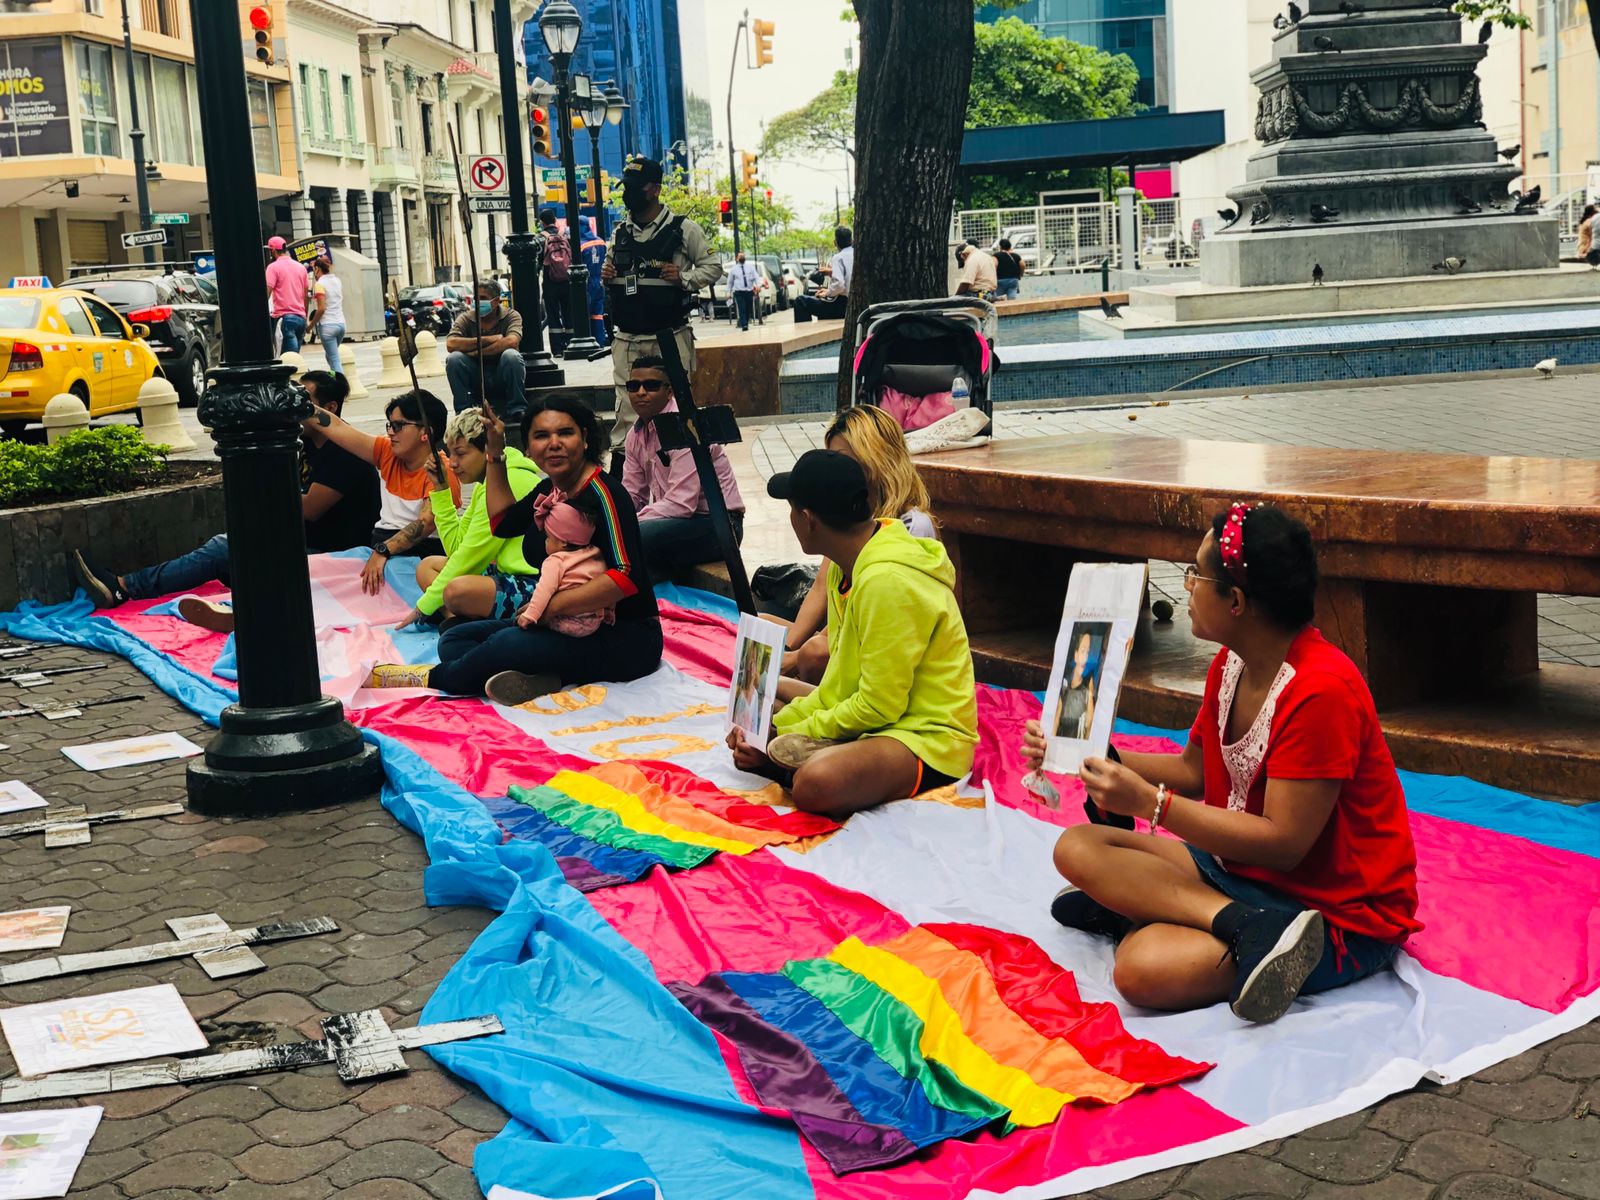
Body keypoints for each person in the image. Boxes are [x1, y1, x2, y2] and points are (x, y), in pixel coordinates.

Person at [1025, 504, 1422, 1025]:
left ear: (1235, 601)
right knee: (1077, 846)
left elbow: (1283, 845)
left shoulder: (1322, 691)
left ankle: (1155, 910)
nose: (1186, 586)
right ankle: (1239, 923)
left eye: (1196, 575)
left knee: (1141, 972)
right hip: (1236, 872)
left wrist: (1149, 803)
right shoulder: (1232, 664)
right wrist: (1094, 756)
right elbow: (1195, 771)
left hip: (1332, 914)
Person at [729, 449, 977, 819]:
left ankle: (795, 761)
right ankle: (793, 752)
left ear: (808, 520)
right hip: (876, 716)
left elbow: (879, 707)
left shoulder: (886, 581)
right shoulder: (844, 567)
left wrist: (784, 732)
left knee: (816, 783)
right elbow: (841, 686)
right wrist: (772, 726)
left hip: (924, 736)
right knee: (761, 702)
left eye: (792, 509)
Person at [71, 371, 379, 622]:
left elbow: (309, 508)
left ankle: (126, 587)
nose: (292, 408)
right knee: (233, 546)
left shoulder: (344, 453)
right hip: (300, 542)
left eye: (303, 401)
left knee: (226, 548)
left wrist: (267, 487)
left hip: (333, 557)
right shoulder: (309, 442)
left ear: (330, 408)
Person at [418, 394, 663, 702]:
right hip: (561, 625)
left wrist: (551, 607)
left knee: (502, 645)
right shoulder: (551, 488)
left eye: (565, 433)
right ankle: (543, 676)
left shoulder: (605, 493)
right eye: (542, 436)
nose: (554, 444)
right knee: (455, 637)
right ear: (528, 448)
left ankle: (434, 678)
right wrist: (495, 454)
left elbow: (625, 576)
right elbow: (503, 523)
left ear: (585, 438)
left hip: (625, 637)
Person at [782, 405, 937, 684]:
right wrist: (788, 648)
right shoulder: (846, 520)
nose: (835, 470)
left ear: (877, 460)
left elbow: (866, 615)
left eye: (844, 460)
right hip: (851, 634)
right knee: (764, 625)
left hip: (887, 649)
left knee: (813, 654)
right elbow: (823, 588)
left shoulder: (912, 526)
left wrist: (795, 659)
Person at [601, 157, 722, 470]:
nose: (628, 194)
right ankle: (626, 480)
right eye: (625, 188)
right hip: (628, 338)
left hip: (669, 335)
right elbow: (612, 271)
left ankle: (683, 472)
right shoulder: (620, 232)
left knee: (676, 406)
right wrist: (608, 274)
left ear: (654, 189)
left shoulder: (684, 229)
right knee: (628, 410)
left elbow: (713, 267)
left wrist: (683, 278)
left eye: (635, 188)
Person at [300, 390, 461, 602]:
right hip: (379, 551)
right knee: (308, 569)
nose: (391, 432)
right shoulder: (387, 452)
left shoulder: (441, 473)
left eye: (398, 426)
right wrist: (301, 405)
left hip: (414, 557)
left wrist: (383, 551)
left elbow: (425, 524)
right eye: (389, 425)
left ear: (425, 432)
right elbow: (337, 427)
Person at [400, 407, 542, 630]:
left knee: (457, 590)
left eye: (461, 453)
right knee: (427, 567)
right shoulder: (484, 484)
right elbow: (456, 549)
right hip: (501, 573)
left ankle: (465, 626)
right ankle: (458, 622)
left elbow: (469, 557)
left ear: (487, 450)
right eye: (450, 454)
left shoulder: (510, 480)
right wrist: (441, 489)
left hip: (535, 584)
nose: (452, 463)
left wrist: (423, 607)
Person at [620, 356, 744, 582]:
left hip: (719, 524)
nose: (640, 392)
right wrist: (612, 517)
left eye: (651, 385)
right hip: (677, 523)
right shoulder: (634, 436)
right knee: (616, 537)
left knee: (635, 535)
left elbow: (681, 504)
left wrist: (630, 522)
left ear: (669, 392)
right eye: (633, 386)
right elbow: (633, 494)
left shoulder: (685, 427)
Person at [515, 501, 616, 637]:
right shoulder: (595, 553)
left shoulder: (556, 560)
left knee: (521, 619)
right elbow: (606, 587)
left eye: (548, 537)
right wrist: (609, 610)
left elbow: (544, 590)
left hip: (568, 622)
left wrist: (530, 615)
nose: (545, 542)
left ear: (563, 542)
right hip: (593, 622)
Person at [445, 280, 526, 425]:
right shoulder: (465, 318)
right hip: (476, 374)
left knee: (511, 355)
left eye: (482, 298)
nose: (478, 302)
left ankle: (517, 409)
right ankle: (464, 412)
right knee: (454, 359)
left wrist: (475, 353)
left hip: (502, 373)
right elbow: (451, 344)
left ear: (496, 301)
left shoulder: (511, 316)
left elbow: (511, 341)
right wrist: (488, 339)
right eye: (476, 298)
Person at [793, 226, 852, 323]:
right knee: (823, 301)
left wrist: (827, 293)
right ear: (851, 240)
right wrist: (829, 289)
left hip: (842, 305)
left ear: (835, 242)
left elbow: (839, 285)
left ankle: (805, 331)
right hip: (852, 303)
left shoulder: (838, 257)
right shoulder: (856, 254)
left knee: (800, 301)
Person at [265, 237, 308, 353]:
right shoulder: (301, 267)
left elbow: (267, 292)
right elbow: (305, 295)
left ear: (273, 251)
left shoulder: (273, 267)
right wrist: (305, 316)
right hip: (301, 318)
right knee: (295, 357)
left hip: (285, 319)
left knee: (287, 358)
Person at [1057, 629, 1100, 739]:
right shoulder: (1064, 683)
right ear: (1076, 655)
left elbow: (1089, 725)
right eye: (1083, 651)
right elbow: (1056, 720)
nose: (1085, 657)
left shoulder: (1088, 683)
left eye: (1088, 652)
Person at [310, 257, 346, 375]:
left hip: (327, 326)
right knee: (330, 356)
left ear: (317, 269)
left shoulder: (320, 284)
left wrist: (310, 326)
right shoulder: (337, 281)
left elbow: (321, 309)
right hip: (341, 324)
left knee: (334, 360)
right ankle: (333, 379)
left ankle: (340, 383)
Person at [540, 208, 571, 335]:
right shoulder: (566, 235)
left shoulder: (540, 239)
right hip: (567, 280)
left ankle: (557, 345)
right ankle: (570, 339)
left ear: (542, 222)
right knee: (568, 313)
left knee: (552, 315)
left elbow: (537, 263)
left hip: (550, 282)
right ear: (555, 220)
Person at [580, 217, 609, 348]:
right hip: (600, 282)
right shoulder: (601, 242)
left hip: (587, 283)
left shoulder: (580, 245)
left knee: (584, 313)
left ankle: (588, 341)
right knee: (598, 314)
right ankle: (600, 342)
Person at [727, 251, 760, 331]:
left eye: (743, 256)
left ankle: (746, 322)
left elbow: (756, 277)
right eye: (740, 256)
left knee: (748, 308)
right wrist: (728, 292)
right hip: (739, 292)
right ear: (737, 259)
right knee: (742, 308)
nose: (742, 258)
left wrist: (758, 285)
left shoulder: (750, 267)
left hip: (749, 291)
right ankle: (744, 324)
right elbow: (730, 281)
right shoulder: (734, 269)